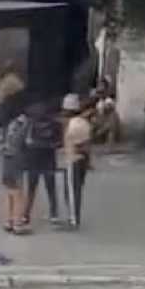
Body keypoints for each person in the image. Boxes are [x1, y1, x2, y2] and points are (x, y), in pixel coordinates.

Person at [22, 101, 63, 226]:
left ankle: (26, 214)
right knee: (50, 187)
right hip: (49, 158)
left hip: (33, 159)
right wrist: (50, 145)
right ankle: (54, 214)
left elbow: (25, 142)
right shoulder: (56, 124)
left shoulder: (30, 124)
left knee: (31, 188)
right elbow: (59, 143)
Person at [62, 95, 93, 231]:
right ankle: (72, 217)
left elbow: (79, 145)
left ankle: (73, 220)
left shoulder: (73, 124)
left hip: (73, 160)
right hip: (82, 160)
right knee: (75, 190)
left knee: (72, 192)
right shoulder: (84, 122)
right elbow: (87, 145)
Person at [0, 108, 30, 234]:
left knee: (9, 191)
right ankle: (18, 223)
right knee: (18, 193)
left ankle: (8, 221)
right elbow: (27, 142)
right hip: (17, 158)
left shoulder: (9, 124)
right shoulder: (25, 124)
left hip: (6, 158)